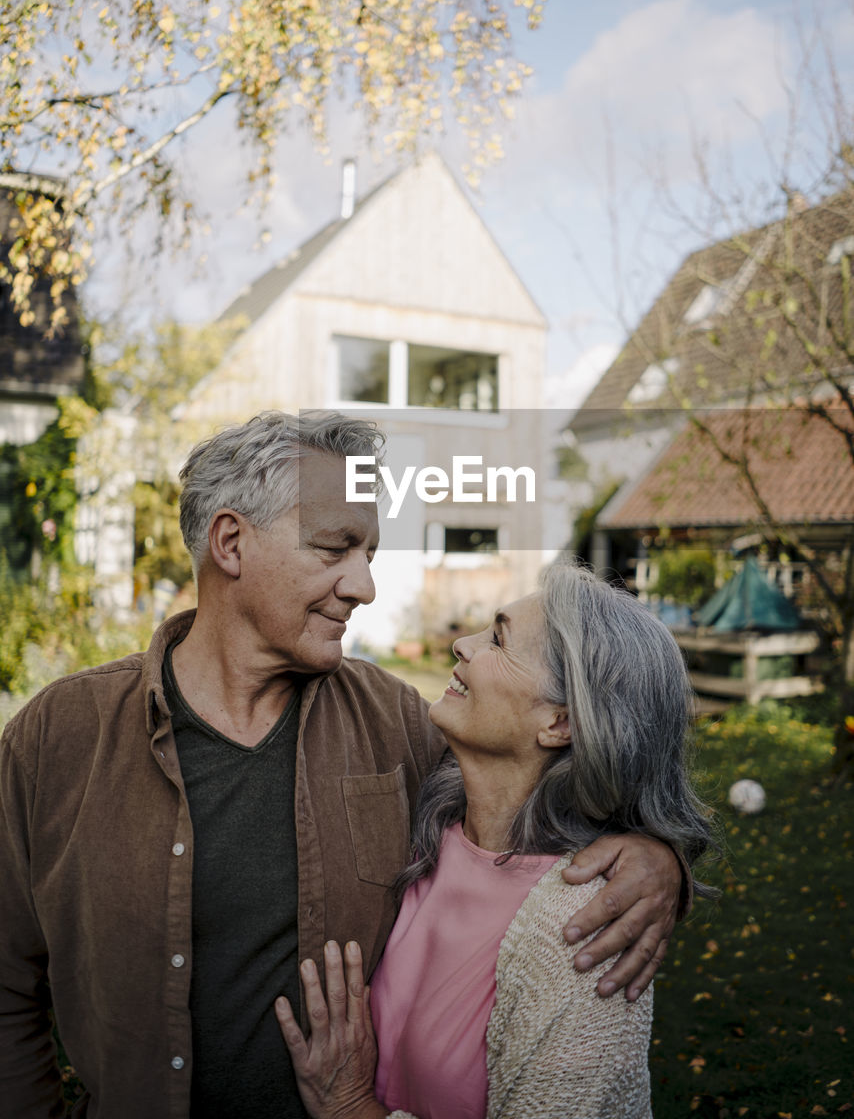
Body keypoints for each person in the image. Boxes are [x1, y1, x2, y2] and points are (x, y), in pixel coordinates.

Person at [0, 412, 684, 1119]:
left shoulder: (396, 724)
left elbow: (542, 787)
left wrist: (657, 857)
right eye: (335, 549)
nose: (364, 586)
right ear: (230, 542)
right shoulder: (58, 738)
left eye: (370, 554)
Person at [276, 561, 718, 1119]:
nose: (462, 644)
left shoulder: (587, 931)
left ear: (560, 722)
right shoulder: (427, 822)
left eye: (499, 640)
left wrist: (347, 1106)